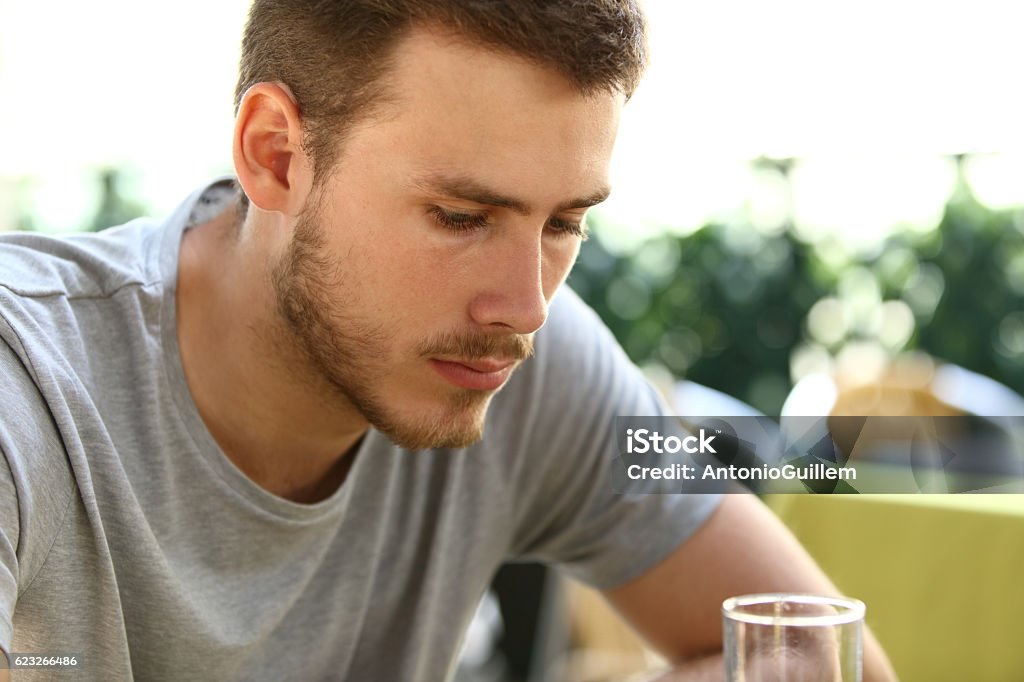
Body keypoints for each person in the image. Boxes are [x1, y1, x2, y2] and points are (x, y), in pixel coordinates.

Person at [0, 1, 896, 680]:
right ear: (275, 155)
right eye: (462, 216)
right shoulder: (26, 386)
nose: (525, 306)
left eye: (564, 224)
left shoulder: (539, 365)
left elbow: (821, 652)